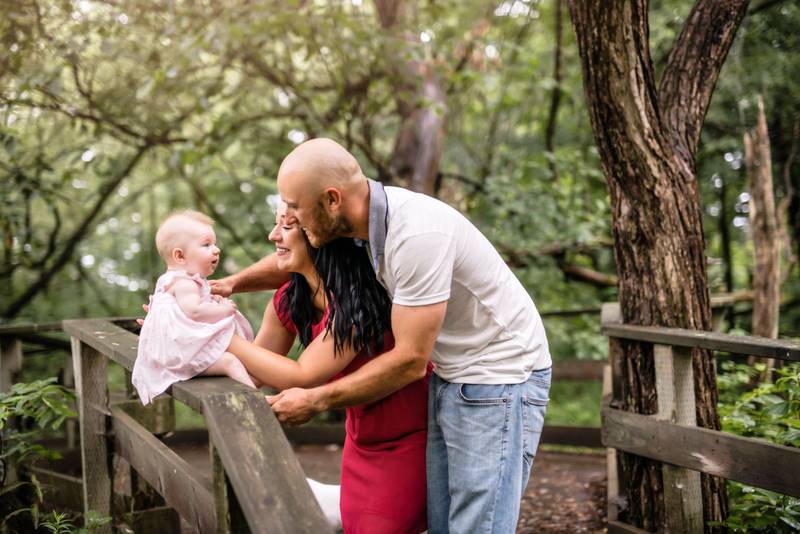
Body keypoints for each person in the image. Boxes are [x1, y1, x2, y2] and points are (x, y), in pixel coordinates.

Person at [216, 138, 553, 533]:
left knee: (478, 525)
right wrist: (229, 284)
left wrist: (316, 399)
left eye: (295, 208)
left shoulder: (414, 235)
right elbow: (296, 258)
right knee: (445, 524)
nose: (290, 219)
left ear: (331, 200)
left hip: (500, 375)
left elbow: (410, 361)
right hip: (452, 374)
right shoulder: (359, 227)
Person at [225, 202, 429, 533]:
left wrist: (221, 339)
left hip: (414, 437)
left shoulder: (358, 301)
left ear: (317, 233)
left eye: (287, 226)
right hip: (361, 440)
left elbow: (302, 375)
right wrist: (181, 334)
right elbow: (251, 373)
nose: (273, 235)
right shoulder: (291, 299)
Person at [132, 210, 256, 405]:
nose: (216, 250)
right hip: (183, 357)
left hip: (174, 356)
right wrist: (225, 309)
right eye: (206, 245)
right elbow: (195, 312)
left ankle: (254, 396)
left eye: (214, 243)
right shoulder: (185, 283)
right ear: (180, 256)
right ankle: (258, 400)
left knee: (233, 359)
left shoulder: (167, 281)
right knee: (231, 362)